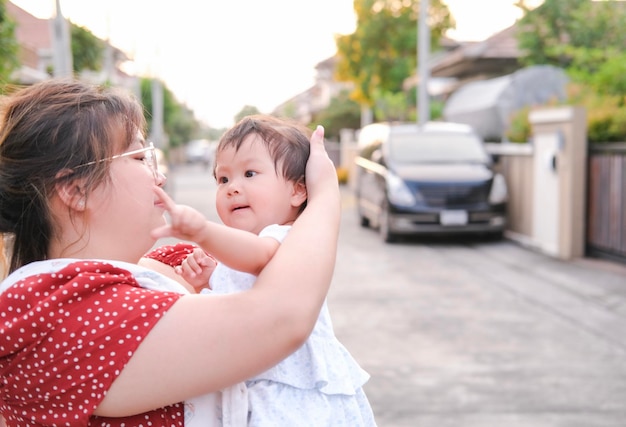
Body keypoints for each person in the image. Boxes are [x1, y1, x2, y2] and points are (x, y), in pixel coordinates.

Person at [0, 79, 341, 426]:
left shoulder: (172, 263)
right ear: (76, 190)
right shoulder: (53, 310)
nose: (159, 176)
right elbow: (280, 319)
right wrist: (325, 193)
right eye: (139, 157)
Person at [171, 115, 377, 426]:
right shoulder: (239, 251)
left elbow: (258, 257)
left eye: (249, 173)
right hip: (252, 385)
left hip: (291, 393)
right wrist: (209, 279)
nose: (232, 188)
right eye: (223, 179)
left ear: (297, 191)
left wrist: (202, 232)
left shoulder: (287, 238)